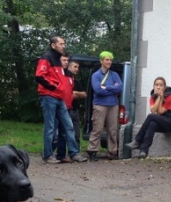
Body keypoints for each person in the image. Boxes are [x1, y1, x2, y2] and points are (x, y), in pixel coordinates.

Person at [36, 36, 87, 164]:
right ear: (53, 45)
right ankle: (48, 155)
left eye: (64, 43)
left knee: (69, 126)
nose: (63, 45)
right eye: (61, 43)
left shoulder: (59, 60)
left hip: (59, 98)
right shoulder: (46, 57)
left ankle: (74, 153)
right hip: (48, 96)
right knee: (50, 127)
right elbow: (39, 76)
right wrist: (54, 87)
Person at [126, 77, 171, 158]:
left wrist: (160, 97)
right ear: (154, 86)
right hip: (163, 121)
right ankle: (143, 151)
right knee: (152, 124)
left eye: (161, 85)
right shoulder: (152, 97)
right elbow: (153, 110)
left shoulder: (170, 97)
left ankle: (137, 140)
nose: (158, 87)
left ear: (164, 87)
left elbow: (160, 112)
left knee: (150, 117)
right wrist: (159, 98)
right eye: (156, 85)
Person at [87, 51, 123, 162]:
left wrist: (106, 87)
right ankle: (92, 151)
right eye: (107, 60)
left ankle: (112, 152)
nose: (109, 62)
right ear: (101, 61)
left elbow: (120, 88)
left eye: (110, 60)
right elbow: (97, 90)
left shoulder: (115, 75)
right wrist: (113, 88)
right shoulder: (96, 75)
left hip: (113, 105)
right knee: (97, 129)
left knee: (112, 130)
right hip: (100, 105)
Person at [55, 57, 87, 162]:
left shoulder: (75, 81)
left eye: (78, 67)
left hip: (75, 110)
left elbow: (84, 94)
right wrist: (72, 94)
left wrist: (74, 93)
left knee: (75, 133)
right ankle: (57, 153)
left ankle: (74, 153)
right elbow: (65, 93)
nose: (77, 69)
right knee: (63, 133)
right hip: (65, 109)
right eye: (75, 66)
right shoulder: (63, 77)